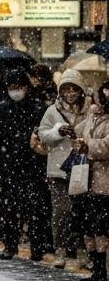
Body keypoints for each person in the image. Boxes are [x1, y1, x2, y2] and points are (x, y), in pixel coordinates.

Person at [0, 67, 53, 261]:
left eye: (19, 87)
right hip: (9, 168)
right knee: (9, 209)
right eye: (12, 87)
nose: (16, 91)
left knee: (35, 210)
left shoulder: (38, 108)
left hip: (33, 167)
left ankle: (37, 246)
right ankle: (10, 245)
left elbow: (42, 137)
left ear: (26, 87)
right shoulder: (2, 110)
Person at [37, 70, 90, 269]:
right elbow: (43, 135)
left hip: (82, 167)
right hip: (58, 169)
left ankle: (83, 251)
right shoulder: (52, 111)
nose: (70, 93)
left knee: (82, 213)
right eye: (66, 89)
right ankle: (60, 250)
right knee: (61, 212)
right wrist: (58, 131)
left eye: (74, 89)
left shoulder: (88, 110)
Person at [72, 80, 109, 281]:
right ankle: (97, 270)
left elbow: (106, 145)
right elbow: (77, 132)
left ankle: (102, 271)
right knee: (89, 228)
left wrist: (88, 146)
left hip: (104, 183)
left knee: (101, 229)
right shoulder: (92, 117)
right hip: (87, 181)